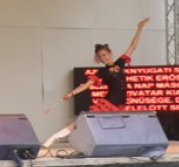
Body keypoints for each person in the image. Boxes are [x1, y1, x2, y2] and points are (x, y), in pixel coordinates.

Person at [42, 18, 149, 149]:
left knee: (117, 127)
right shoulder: (101, 72)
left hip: (120, 104)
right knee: (82, 121)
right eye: (100, 56)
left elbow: (133, 46)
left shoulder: (120, 63)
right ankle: (54, 137)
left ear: (110, 53)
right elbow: (86, 85)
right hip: (109, 104)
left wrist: (140, 28)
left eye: (105, 54)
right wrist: (71, 94)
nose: (104, 58)